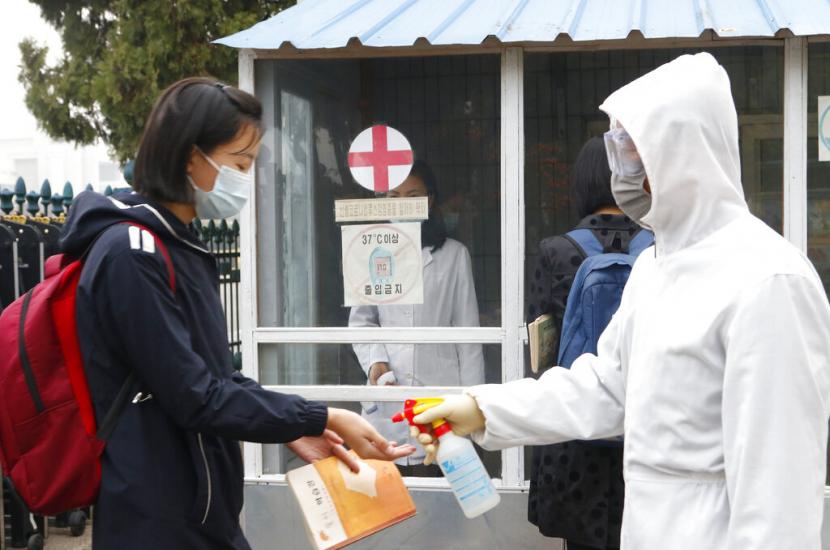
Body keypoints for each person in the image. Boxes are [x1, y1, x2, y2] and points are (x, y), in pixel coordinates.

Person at [414, 52, 830, 549]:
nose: (621, 169)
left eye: (633, 150)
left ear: (683, 155)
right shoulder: (654, 266)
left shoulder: (768, 280)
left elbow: (779, 497)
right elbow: (607, 387)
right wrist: (483, 409)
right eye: (617, 148)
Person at [59, 78, 414, 549]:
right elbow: (195, 396)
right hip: (156, 520)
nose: (247, 178)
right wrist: (320, 416)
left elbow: (217, 377)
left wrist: (295, 428)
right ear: (191, 157)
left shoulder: (179, 246)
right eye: (240, 163)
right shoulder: (132, 254)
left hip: (200, 510)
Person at [527, 136, 644, 550]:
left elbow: (541, 353)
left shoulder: (555, 251)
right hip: (644, 428)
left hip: (576, 431)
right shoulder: (661, 249)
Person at [349, 159, 484, 474]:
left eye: (413, 196)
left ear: (430, 200)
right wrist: (376, 361)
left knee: (440, 486)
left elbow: (468, 335)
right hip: (387, 395)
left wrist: (473, 404)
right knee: (387, 488)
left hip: (440, 393)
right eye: (393, 196)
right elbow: (361, 320)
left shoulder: (453, 255)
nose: (403, 204)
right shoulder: (369, 251)